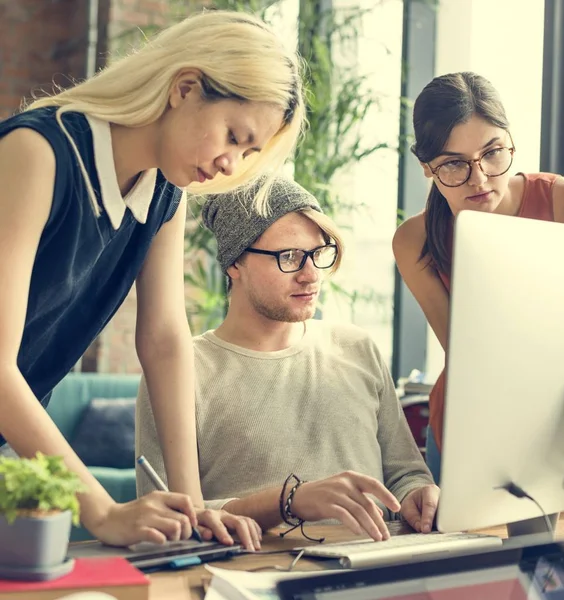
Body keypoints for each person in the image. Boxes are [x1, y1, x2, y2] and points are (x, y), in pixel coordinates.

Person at [0, 10, 305, 548]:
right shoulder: (38, 152)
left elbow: (164, 340)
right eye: (234, 136)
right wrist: (102, 511)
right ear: (185, 87)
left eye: (248, 153)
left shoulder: (166, 192)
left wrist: (191, 507)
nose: (230, 163)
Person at [136, 176, 439, 543]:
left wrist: (417, 495)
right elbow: (165, 518)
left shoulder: (357, 347)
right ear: (235, 264)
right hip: (257, 576)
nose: (311, 275)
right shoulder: (182, 370)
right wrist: (289, 500)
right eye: (290, 256)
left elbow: (406, 473)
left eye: (319, 252)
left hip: (375, 568)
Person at [392, 72, 564, 483]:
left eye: (492, 153)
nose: (480, 178)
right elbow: (466, 355)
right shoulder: (413, 240)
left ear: (509, 141)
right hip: (471, 423)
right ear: (426, 167)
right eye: (454, 163)